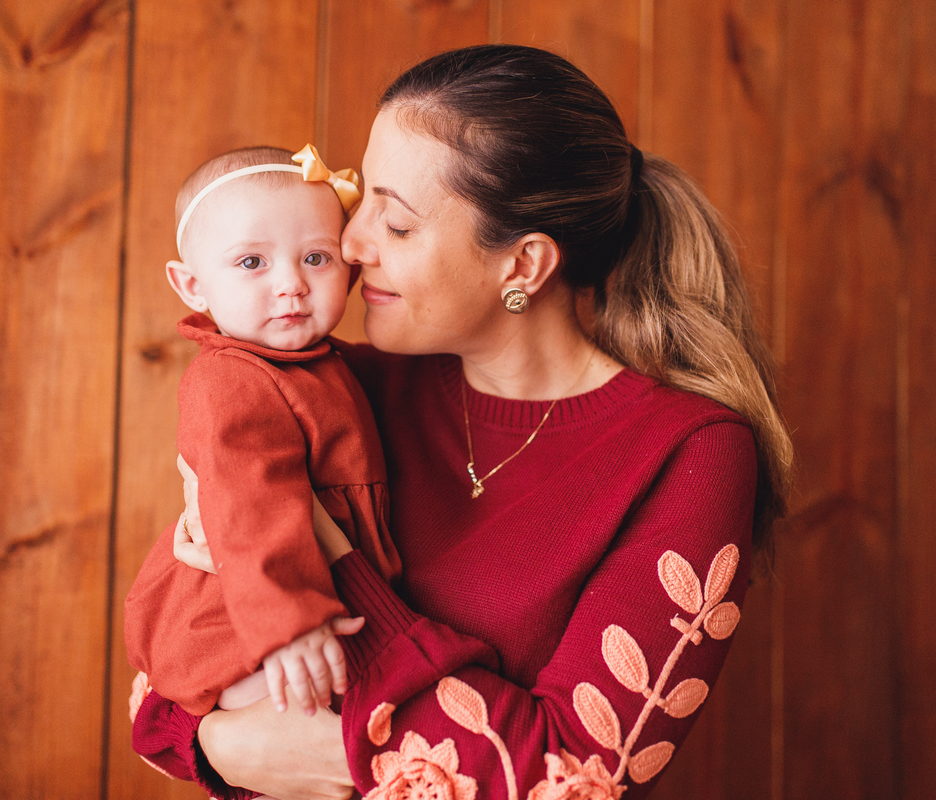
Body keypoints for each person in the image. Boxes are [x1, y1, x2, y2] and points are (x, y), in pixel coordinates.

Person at [129, 44, 793, 800]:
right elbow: (162, 689)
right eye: (361, 200)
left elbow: (570, 779)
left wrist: (330, 553)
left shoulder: (689, 454)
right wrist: (219, 745)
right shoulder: (332, 386)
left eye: (398, 224)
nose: (349, 243)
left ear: (523, 266)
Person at [123, 144, 402, 724]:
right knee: (303, 709)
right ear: (193, 286)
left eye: (316, 258)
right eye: (252, 262)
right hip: (247, 615)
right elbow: (252, 504)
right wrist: (289, 624)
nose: (292, 284)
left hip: (313, 599)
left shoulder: (328, 364)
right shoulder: (229, 378)